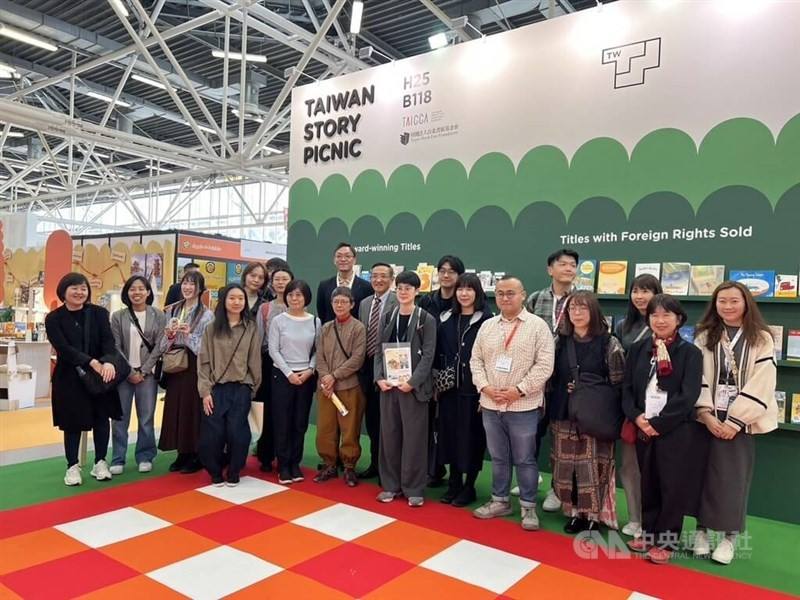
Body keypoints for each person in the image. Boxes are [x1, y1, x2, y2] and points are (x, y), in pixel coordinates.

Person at [692, 281, 778, 565]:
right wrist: (705, 413)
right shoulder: (705, 335)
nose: (727, 306)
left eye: (734, 301)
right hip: (707, 419)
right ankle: (701, 532)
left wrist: (735, 420)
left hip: (740, 423)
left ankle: (729, 538)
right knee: (701, 475)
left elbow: (763, 381)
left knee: (733, 479)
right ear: (714, 304)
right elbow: (697, 376)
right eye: (722, 301)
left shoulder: (761, 337)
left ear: (746, 303)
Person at [622, 294, 703, 564]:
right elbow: (628, 390)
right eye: (654, 315)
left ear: (678, 319)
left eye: (667, 315)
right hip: (643, 426)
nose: (660, 320)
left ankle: (667, 541)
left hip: (675, 430)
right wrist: (638, 417)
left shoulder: (690, 353)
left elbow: (688, 396)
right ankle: (648, 532)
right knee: (648, 483)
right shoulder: (638, 349)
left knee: (671, 485)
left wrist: (658, 424)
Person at [470, 276, 555, 530]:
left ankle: (528, 507)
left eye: (510, 293)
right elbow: (476, 361)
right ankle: (500, 501)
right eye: (500, 293)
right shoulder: (487, 326)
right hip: (490, 403)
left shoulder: (538, 326)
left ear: (523, 295)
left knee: (525, 458)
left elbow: (544, 365)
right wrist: (485, 387)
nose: (505, 298)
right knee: (498, 457)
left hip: (523, 406)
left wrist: (518, 391)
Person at [548, 291, 625, 533]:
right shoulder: (560, 341)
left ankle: (593, 515)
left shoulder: (609, 343)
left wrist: (587, 388)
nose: (577, 313)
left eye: (583, 308)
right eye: (573, 309)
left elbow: (618, 382)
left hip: (596, 414)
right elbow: (551, 377)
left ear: (594, 311)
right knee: (566, 465)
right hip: (564, 411)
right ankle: (573, 513)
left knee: (594, 466)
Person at [45, 273, 123, 486]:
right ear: (63, 291)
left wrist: (107, 361)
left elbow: (109, 341)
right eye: (74, 288)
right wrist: (90, 361)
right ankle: (72, 466)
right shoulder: (53, 318)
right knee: (72, 422)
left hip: (99, 376)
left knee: (101, 418)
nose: (80, 292)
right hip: (68, 377)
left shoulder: (98, 313)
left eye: (83, 288)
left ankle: (100, 462)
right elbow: (63, 348)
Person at [521, 248, 578, 511]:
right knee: (531, 432)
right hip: (535, 377)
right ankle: (530, 479)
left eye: (573, 265)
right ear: (550, 269)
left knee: (561, 437)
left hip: (565, 378)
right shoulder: (535, 299)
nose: (568, 268)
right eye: (563, 264)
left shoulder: (582, 300)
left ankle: (558, 489)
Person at [374, 271, 437, 507]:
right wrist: (379, 377)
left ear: (417, 291)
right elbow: (379, 350)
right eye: (399, 287)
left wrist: (411, 382)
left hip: (413, 389)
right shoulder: (388, 315)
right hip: (389, 387)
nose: (403, 292)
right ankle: (390, 486)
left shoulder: (425, 319)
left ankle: (413, 488)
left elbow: (428, 356)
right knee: (389, 437)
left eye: (408, 288)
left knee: (414, 439)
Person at [435, 273, 492, 507]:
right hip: (448, 388)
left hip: (475, 389)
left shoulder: (487, 321)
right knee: (449, 436)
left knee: (472, 438)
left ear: (477, 292)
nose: (464, 293)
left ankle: (470, 486)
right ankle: (454, 482)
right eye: (460, 289)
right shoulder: (446, 318)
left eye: (469, 289)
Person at [198, 284, 262, 487]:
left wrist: (251, 388)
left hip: (241, 387)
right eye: (232, 298)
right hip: (216, 388)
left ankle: (235, 470)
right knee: (213, 433)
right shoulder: (211, 328)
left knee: (237, 432)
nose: (236, 302)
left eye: (241, 299)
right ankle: (215, 471)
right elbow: (204, 361)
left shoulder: (251, 328)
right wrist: (205, 391)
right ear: (224, 300)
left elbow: (255, 361)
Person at [613, 273, 662, 538]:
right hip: (630, 403)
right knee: (630, 466)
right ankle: (634, 517)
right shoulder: (623, 326)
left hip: (660, 409)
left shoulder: (665, 322)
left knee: (657, 467)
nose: (640, 296)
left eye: (646, 290)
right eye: (636, 291)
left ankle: (655, 518)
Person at [109, 276, 166, 475]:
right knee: (119, 418)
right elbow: (115, 346)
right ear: (127, 293)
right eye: (133, 289)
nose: (137, 292)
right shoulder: (118, 316)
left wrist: (144, 370)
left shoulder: (158, 315)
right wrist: (130, 371)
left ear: (149, 292)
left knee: (146, 417)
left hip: (147, 376)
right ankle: (118, 458)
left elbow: (160, 345)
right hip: (124, 375)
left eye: (142, 288)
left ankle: (145, 455)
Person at [158, 270, 214, 474]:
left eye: (193, 284)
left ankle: (196, 453)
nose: (188, 287)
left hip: (195, 366)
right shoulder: (172, 310)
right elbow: (164, 345)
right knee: (176, 409)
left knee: (193, 409)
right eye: (185, 283)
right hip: (175, 365)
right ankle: (181, 452)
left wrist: (189, 335)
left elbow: (206, 348)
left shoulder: (207, 315)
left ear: (200, 289)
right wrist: (170, 334)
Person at [419, 255, 466, 487]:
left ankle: (455, 473)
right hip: (427, 369)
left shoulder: (463, 304)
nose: (446, 275)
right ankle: (432, 469)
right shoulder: (427, 301)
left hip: (453, 374)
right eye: (442, 271)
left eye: (452, 271)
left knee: (449, 424)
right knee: (428, 422)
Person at [269, 279, 321, 484]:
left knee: (300, 422)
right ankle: (283, 465)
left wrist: (309, 370)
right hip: (282, 376)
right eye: (291, 294)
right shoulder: (278, 320)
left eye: (299, 294)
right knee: (283, 422)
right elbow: (273, 350)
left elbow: (318, 350)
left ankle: (294, 463)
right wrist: (289, 373)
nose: (294, 298)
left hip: (306, 377)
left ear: (306, 297)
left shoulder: (315, 321)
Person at [314, 287, 367, 486]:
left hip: (349, 386)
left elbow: (357, 358)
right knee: (325, 428)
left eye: (344, 302)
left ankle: (349, 466)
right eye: (336, 302)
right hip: (326, 389)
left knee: (350, 428)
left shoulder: (359, 328)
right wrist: (326, 378)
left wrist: (335, 375)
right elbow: (319, 356)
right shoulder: (326, 328)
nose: (339, 305)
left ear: (352, 304)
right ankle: (329, 464)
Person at [357, 262, 397, 480]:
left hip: (390, 369)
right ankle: (374, 463)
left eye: (383, 276)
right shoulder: (364, 303)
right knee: (372, 421)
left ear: (391, 279)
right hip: (367, 369)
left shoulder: (398, 300)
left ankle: (387, 469)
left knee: (388, 423)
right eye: (374, 276)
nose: (378, 280)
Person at [254, 267, 293, 471]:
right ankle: (266, 455)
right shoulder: (265, 309)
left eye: (285, 279)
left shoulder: (296, 306)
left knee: (286, 412)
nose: (280, 282)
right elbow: (259, 339)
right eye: (276, 279)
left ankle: (286, 455)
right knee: (268, 410)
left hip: (292, 364)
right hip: (268, 364)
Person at [316, 242, 373, 324]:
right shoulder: (324, 286)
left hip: (356, 334)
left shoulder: (366, 287)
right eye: (339, 256)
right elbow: (322, 314)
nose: (343, 259)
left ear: (354, 260)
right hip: (331, 333)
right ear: (334, 260)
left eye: (347, 256)